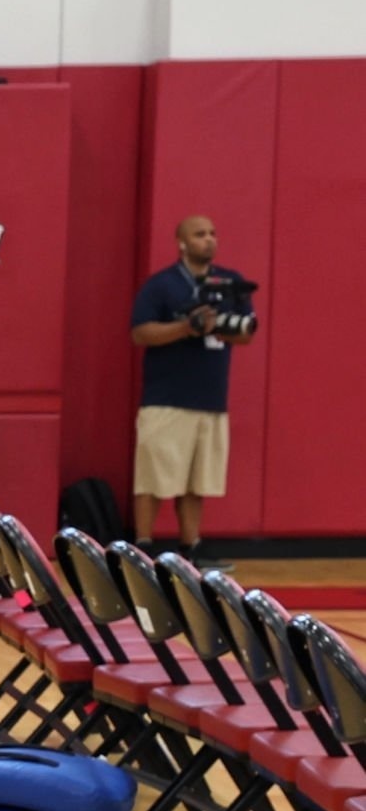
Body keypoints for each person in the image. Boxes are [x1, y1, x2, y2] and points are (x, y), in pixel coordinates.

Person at [129, 214, 259, 561]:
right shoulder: (162, 285)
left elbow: (245, 334)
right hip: (166, 398)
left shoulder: (230, 282)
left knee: (196, 481)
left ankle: (191, 547)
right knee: (153, 477)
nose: (209, 239)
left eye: (213, 233)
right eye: (200, 234)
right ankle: (142, 547)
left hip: (210, 398)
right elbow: (140, 333)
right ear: (182, 243)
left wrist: (221, 327)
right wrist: (187, 327)